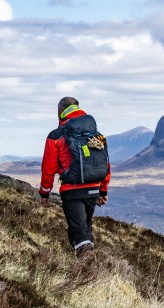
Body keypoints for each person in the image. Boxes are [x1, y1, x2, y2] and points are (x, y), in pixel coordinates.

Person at [39, 96, 111, 258]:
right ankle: (92, 272)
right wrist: (103, 191)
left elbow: (48, 168)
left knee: (78, 233)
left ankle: (87, 269)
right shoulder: (96, 135)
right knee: (85, 229)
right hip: (94, 188)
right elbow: (105, 164)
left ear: (59, 112)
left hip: (72, 191)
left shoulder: (56, 135)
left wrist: (45, 193)